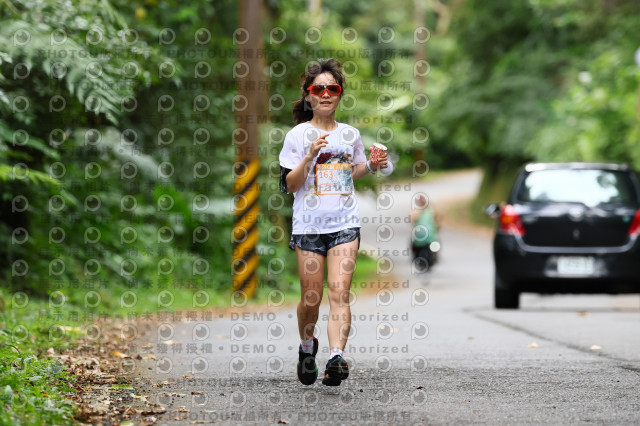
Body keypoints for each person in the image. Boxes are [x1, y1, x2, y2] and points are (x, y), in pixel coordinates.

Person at [279, 58, 390, 386]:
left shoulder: (349, 134)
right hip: (309, 228)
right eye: (319, 89)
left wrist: (371, 165)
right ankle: (306, 347)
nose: (326, 94)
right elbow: (290, 185)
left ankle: (335, 358)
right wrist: (309, 155)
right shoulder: (297, 135)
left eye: (333, 88)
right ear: (308, 95)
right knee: (311, 298)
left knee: (340, 292)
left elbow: (350, 173)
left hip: (344, 225)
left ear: (339, 94)